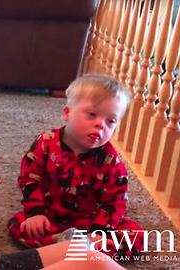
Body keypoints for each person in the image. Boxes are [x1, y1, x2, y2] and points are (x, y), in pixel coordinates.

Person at [8, 74, 144, 258]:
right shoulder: (45, 143)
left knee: (137, 236)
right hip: (50, 215)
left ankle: (75, 246)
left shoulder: (110, 160)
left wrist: (99, 232)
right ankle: (64, 242)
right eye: (92, 114)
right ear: (67, 113)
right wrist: (36, 212)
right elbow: (30, 179)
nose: (100, 124)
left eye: (111, 121)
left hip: (90, 221)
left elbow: (115, 200)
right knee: (19, 225)